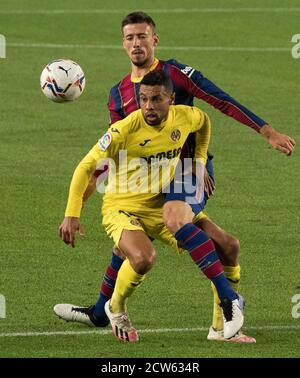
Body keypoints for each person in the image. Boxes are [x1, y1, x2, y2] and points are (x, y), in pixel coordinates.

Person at [54, 12, 295, 342]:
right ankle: (102, 310)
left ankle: (228, 303)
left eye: (143, 36)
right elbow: (115, 151)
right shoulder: (118, 94)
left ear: (155, 39)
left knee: (171, 218)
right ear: (123, 44)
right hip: (146, 175)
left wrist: (265, 131)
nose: (137, 43)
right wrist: (83, 198)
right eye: (130, 38)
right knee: (137, 244)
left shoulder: (176, 74)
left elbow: (219, 102)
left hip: (186, 171)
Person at [58, 70, 244, 343]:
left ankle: (220, 330)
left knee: (228, 245)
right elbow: (87, 167)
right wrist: (72, 214)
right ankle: (115, 307)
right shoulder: (124, 129)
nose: (148, 106)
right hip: (123, 206)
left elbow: (204, 122)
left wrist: (200, 160)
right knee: (144, 257)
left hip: (161, 204)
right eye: (143, 99)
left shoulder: (185, 116)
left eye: (156, 99)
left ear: (171, 99)